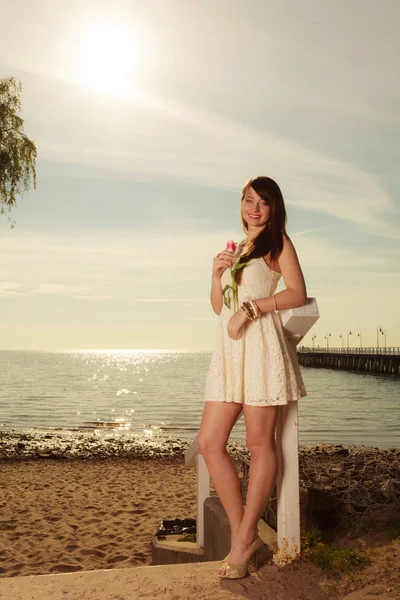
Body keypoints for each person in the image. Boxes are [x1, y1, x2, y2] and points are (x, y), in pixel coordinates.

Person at [198, 176, 307, 579]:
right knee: (210, 443)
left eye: (263, 202)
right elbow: (218, 308)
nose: (255, 208)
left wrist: (254, 309)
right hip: (229, 355)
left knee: (260, 445)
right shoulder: (238, 248)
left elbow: (297, 292)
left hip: (260, 350)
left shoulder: (278, 244)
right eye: (248, 200)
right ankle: (247, 533)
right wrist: (215, 276)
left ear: (274, 207)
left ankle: (242, 541)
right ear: (241, 204)